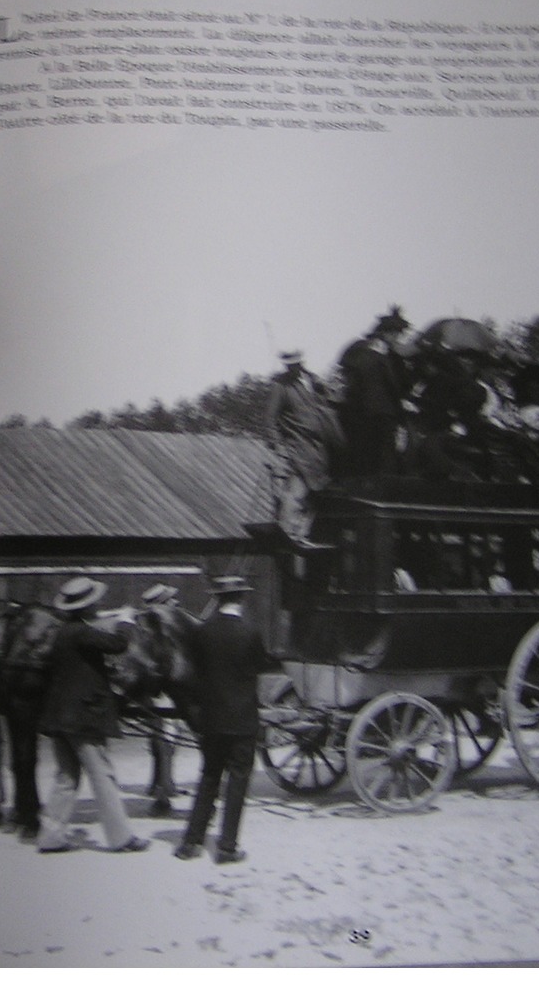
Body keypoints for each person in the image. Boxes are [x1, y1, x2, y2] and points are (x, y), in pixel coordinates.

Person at [35, 576, 150, 854]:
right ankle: (121, 837)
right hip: (82, 717)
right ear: (86, 607)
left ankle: (50, 836)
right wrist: (126, 621)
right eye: (94, 603)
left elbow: (78, 669)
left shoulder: (63, 632)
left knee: (67, 777)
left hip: (59, 716)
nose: (98, 605)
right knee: (102, 774)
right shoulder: (82, 632)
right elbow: (118, 644)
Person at [174, 575, 276, 864]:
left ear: (218, 599)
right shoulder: (250, 632)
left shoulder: (202, 632)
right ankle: (227, 847)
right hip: (242, 719)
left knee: (208, 778)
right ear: (242, 599)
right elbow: (259, 666)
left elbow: (196, 669)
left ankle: (190, 843)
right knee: (237, 782)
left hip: (211, 719)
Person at [266, 349, 344, 547]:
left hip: (320, 446)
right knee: (297, 490)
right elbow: (270, 417)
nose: (291, 367)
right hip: (298, 444)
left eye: (295, 363)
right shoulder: (280, 385)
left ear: (301, 362)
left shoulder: (313, 380)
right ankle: (286, 533)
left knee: (316, 492)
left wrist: (328, 391)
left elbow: (330, 400)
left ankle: (302, 533)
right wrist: (277, 444)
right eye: (288, 363)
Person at [337, 306, 411, 477]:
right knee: (377, 455)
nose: (399, 338)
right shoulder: (374, 353)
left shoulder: (363, 349)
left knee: (368, 454)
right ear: (387, 333)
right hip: (374, 413)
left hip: (364, 411)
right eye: (397, 334)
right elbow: (393, 386)